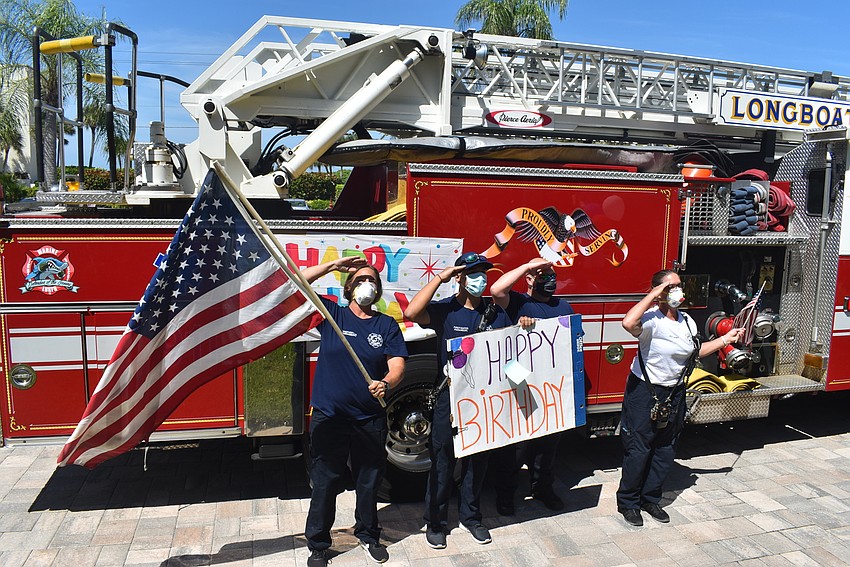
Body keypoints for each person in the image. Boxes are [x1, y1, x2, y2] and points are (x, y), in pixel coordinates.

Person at [616, 269, 743, 527]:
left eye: (679, 286)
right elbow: (628, 323)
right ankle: (628, 502)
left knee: (665, 448)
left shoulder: (687, 321)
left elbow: (696, 352)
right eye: (671, 287)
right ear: (659, 291)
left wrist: (725, 339)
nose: (677, 291)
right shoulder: (650, 319)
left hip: (674, 392)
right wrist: (654, 295)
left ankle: (650, 498)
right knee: (639, 448)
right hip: (645, 391)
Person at [302, 256, 407, 566]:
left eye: (372, 280)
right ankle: (319, 543)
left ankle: (369, 533)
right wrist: (333, 266)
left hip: (369, 419)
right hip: (330, 417)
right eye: (360, 279)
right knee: (325, 481)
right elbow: (298, 282)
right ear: (348, 288)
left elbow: (398, 364)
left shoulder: (385, 324)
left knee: (369, 480)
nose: (366, 284)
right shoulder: (332, 315)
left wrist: (386, 384)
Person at [403, 251, 511, 549]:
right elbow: (411, 313)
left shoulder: (496, 312)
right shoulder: (446, 311)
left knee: (477, 463)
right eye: (474, 273)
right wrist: (440, 277)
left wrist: (524, 326)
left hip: (484, 403)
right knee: (442, 464)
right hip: (448, 402)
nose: (481, 279)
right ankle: (435, 523)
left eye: (484, 273)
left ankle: (471, 518)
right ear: (461, 278)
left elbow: (510, 352)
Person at [489, 257, 573, 515]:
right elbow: (495, 291)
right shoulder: (518, 302)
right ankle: (506, 494)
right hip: (519, 379)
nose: (549, 279)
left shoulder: (564, 305)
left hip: (551, 382)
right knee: (518, 445)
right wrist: (527, 265)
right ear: (528, 279)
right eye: (541, 274)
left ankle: (542, 488)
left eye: (551, 274)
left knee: (548, 444)